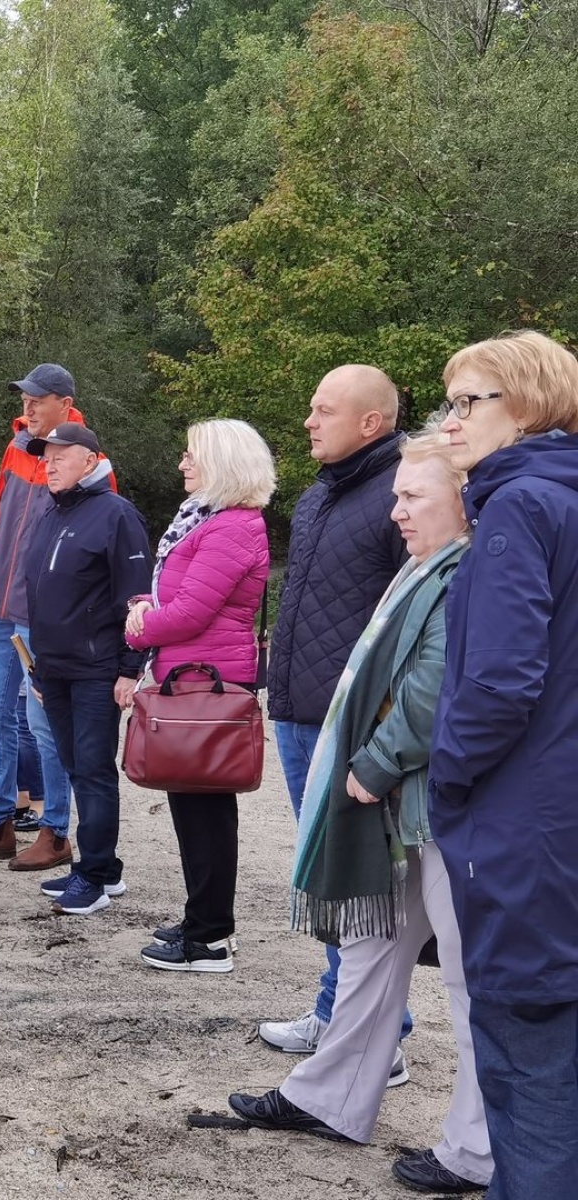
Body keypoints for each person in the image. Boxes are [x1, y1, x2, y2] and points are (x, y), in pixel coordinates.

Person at [226, 429, 491, 1193]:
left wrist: (374, 764)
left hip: (434, 806)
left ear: (463, 500)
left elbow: (440, 680)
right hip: (404, 807)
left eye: (413, 498)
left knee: (472, 978)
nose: (397, 512)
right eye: (398, 495)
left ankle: (477, 1147)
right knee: (372, 946)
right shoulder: (426, 564)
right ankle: (330, 1098)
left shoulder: (465, 571)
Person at [429, 330, 578, 1200]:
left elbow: (499, 678)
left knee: (527, 1050)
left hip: (525, 819)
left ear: (524, 408)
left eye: (467, 402)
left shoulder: (521, 506)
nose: (450, 422)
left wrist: (448, 775)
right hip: (556, 808)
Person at [260, 365, 410, 1055]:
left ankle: (375, 1035)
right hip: (298, 710)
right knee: (325, 875)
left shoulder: (400, 496)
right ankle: (350, 1017)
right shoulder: (322, 493)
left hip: (349, 721)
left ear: (370, 423)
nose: (309, 422)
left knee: (351, 878)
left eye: (324, 410)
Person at [123, 419, 273, 971]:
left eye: (191, 456)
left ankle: (210, 934)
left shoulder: (233, 526)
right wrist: (146, 603)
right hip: (190, 675)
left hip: (205, 679)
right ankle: (203, 918)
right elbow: (177, 593)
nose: (182, 464)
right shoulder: (207, 521)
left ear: (222, 463)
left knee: (206, 807)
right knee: (193, 804)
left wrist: (139, 626)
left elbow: (191, 611)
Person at [14, 424, 150, 911]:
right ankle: (105, 868)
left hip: (97, 668)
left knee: (92, 770)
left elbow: (137, 597)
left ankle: (92, 876)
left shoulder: (117, 515)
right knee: (74, 767)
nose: (48, 464)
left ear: (90, 460)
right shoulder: (50, 513)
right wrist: (40, 668)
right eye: (44, 457)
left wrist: (131, 668)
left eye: (60, 455)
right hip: (54, 669)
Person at [0, 363, 97, 863]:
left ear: (64, 403)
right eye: (24, 398)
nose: (27, 408)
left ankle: (55, 831)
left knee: (40, 721)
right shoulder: (17, 446)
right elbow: (0, 517)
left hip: (39, 616)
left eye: (37, 400)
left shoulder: (84, 458)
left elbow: (92, 540)